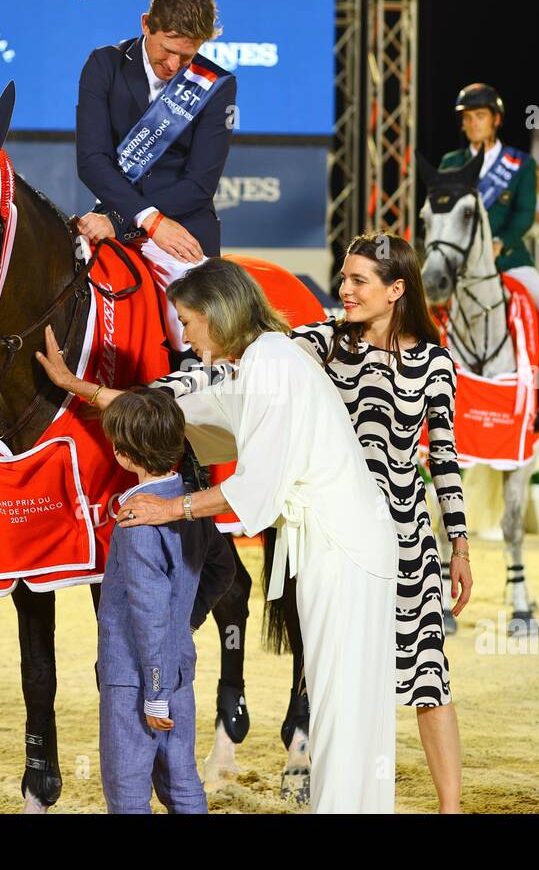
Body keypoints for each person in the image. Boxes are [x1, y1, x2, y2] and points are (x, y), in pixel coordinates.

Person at [36, 260, 400, 813]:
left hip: (342, 550)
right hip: (340, 547)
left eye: (187, 321)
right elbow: (175, 411)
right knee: (343, 709)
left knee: (344, 709)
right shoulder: (261, 362)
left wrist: (169, 508)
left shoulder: (272, 364)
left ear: (215, 314)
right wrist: (77, 387)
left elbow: (256, 490)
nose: (184, 335)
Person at [291, 233, 473, 813]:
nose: (344, 289)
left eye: (358, 280)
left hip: (406, 541)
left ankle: (450, 809)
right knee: (332, 678)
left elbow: (443, 458)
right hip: (335, 539)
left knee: (429, 679)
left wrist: (460, 548)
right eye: (343, 278)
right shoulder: (320, 343)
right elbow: (261, 364)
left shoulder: (435, 361)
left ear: (396, 290)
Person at [74, 0, 237, 350]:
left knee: (198, 332)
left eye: (188, 55)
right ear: (146, 23)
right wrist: (143, 219)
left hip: (183, 226)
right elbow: (92, 161)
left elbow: (200, 184)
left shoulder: (216, 85)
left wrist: (128, 222)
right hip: (117, 212)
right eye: (167, 50)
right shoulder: (104, 64)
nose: (174, 65)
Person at [95, 388, 235, 813]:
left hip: (135, 681)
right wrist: (186, 621)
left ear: (123, 454)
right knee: (182, 783)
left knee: (128, 795)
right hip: (177, 671)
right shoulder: (189, 505)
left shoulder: (136, 520)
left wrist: (152, 692)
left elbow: (149, 610)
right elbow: (222, 570)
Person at [439, 82, 539, 433]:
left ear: (495, 120)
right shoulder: (451, 163)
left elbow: (524, 214)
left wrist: (499, 242)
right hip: (460, 264)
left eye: (480, 116)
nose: (473, 123)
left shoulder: (520, 164)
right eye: (467, 118)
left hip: (508, 258)